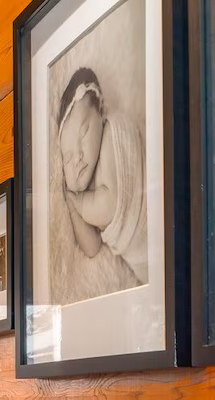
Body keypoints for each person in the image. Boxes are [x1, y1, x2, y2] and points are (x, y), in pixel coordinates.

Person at [57, 67, 147, 273]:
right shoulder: (88, 194)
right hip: (143, 256)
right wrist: (72, 207)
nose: (77, 156)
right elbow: (92, 247)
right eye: (67, 157)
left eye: (84, 132)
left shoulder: (112, 132)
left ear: (101, 113)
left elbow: (109, 205)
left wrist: (79, 203)